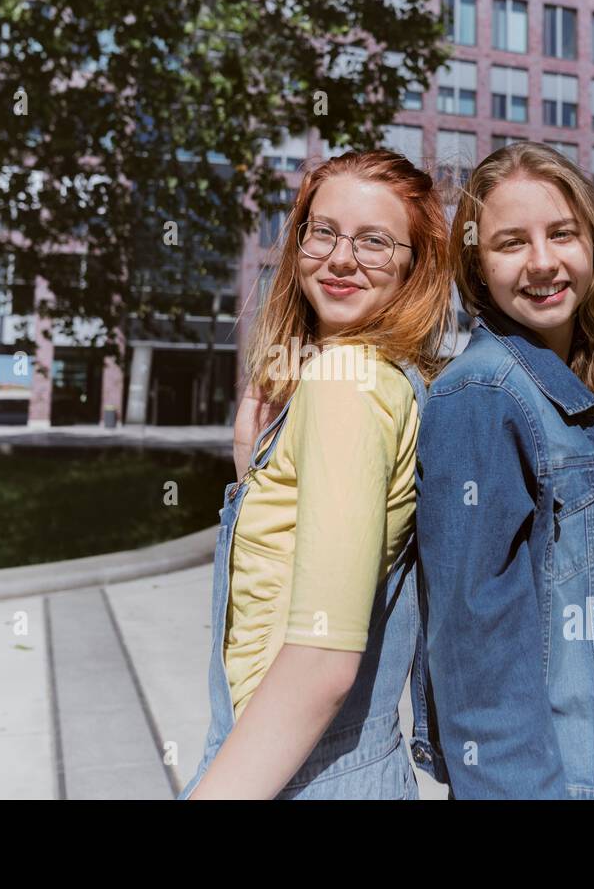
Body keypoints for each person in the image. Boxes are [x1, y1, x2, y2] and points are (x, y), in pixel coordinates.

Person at [180, 148, 454, 799]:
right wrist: (254, 468)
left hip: (302, 772)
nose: (339, 257)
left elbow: (322, 662)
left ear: (416, 267)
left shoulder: (347, 379)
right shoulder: (383, 379)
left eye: (375, 242)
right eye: (322, 230)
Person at [415, 141, 594, 799]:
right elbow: (475, 663)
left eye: (561, 233)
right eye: (510, 243)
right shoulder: (486, 396)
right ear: (476, 269)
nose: (542, 261)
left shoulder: (557, 394)